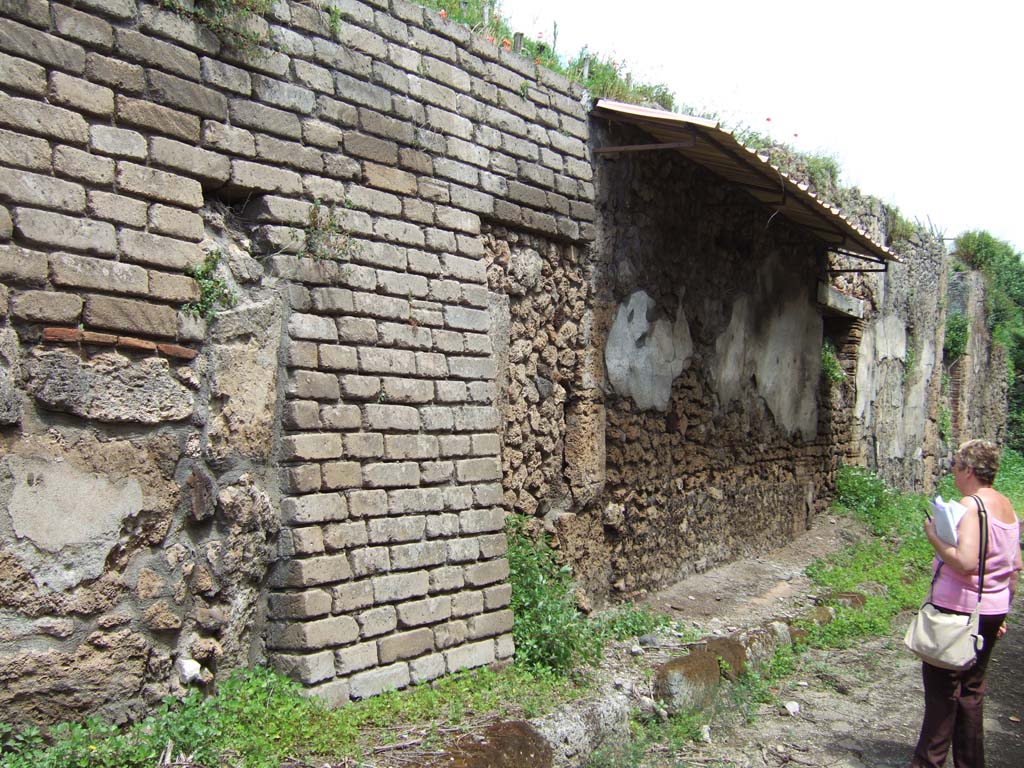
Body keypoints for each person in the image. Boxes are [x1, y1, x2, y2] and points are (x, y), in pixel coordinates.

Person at [912, 439, 1022, 768]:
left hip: (958, 613)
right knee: (971, 693)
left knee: (942, 696)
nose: (954, 473)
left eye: (956, 467)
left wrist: (934, 537)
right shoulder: (1007, 507)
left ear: (969, 470)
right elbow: (1014, 568)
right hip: (989, 611)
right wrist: (1003, 612)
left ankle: (927, 762)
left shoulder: (973, 506)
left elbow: (965, 560)